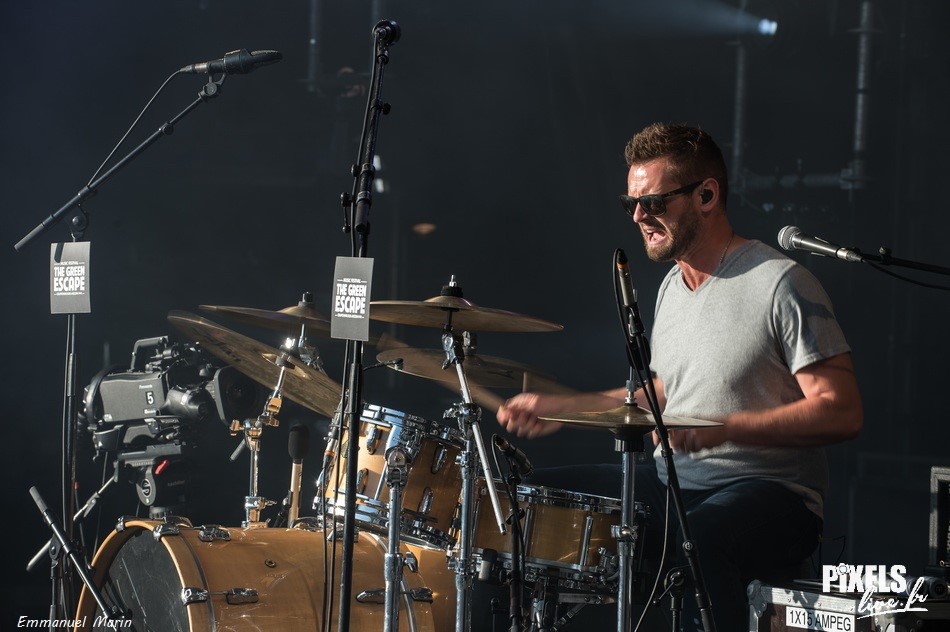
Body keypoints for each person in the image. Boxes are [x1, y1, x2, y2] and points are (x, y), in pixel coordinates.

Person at [496, 122, 863, 631]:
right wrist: (567, 407)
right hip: (674, 483)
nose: (639, 217)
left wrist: (726, 428)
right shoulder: (672, 286)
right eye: (631, 204)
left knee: (702, 536)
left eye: (653, 202)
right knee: (525, 498)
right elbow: (670, 389)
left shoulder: (781, 283)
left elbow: (841, 411)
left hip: (771, 493)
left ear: (706, 195)